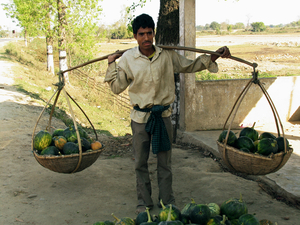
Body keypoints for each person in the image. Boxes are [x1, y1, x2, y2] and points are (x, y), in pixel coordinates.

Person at [104, 13, 231, 214]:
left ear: (154, 33)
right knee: (140, 162)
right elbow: (116, 88)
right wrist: (112, 63)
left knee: (165, 162)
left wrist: (214, 56)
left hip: (162, 117)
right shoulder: (128, 59)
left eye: (149, 33)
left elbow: (191, 65)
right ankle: (143, 202)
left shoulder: (167, 55)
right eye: (141, 34)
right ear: (135, 36)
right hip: (140, 118)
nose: (146, 38)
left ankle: (167, 201)